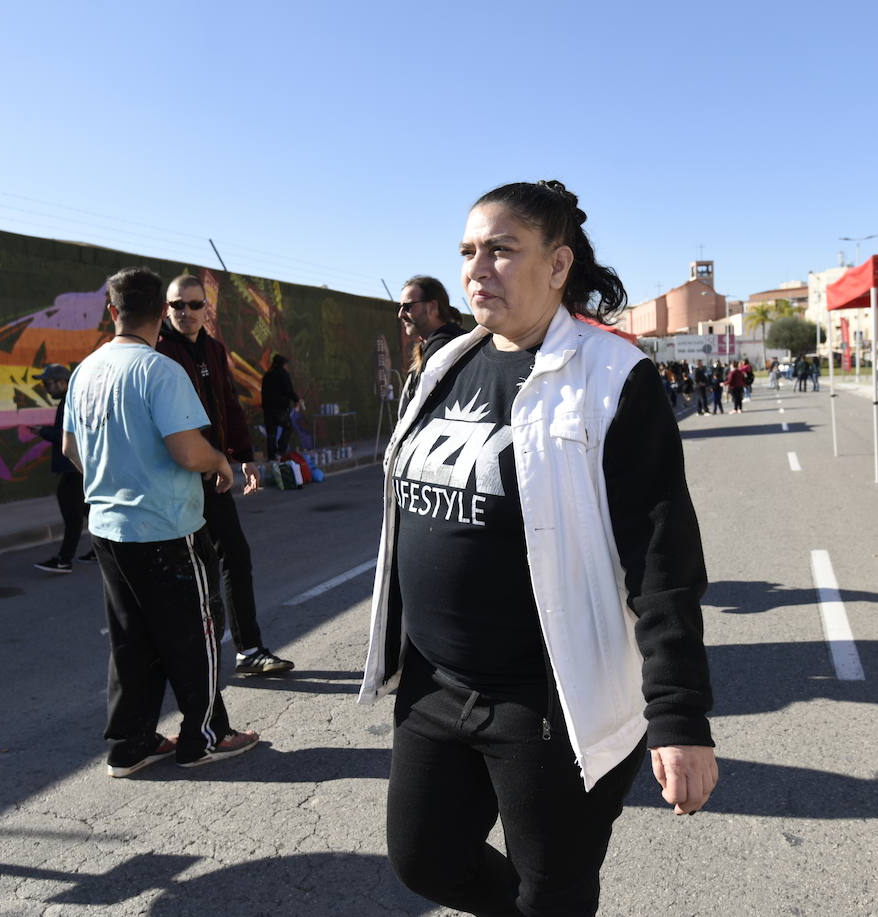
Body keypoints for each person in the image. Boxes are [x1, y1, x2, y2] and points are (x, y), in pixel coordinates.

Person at [360, 180, 717, 917]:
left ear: (558, 265)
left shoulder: (613, 376)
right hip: (435, 685)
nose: (477, 268)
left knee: (552, 891)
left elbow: (663, 560)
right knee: (424, 860)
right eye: (468, 251)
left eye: (501, 249)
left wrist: (679, 715)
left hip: (547, 702)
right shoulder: (444, 364)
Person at [62, 267, 258, 775]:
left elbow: (71, 449)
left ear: (112, 311)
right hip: (166, 528)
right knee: (196, 632)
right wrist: (220, 461)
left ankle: (131, 744)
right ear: (159, 314)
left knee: (132, 638)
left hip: (108, 529)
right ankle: (206, 737)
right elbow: (187, 450)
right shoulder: (160, 370)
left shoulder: (85, 371)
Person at [155, 273, 294, 677]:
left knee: (234, 554)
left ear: (206, 309)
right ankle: (188, 658)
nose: (186, 312)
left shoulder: (214, 349)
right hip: (174, 477)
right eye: (177, 305)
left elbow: (228, 405)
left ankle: (248, 648)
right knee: (187, 570)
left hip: (212, 474)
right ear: (166, 308)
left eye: (194, 304)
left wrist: (244, 456)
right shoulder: (157, 350)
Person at [32, 364, 93, 573]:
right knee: (87, 511)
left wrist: (43, 432)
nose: (46, 388)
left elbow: (68, 436)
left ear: (62, 382)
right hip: (77, 467)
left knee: (72, 515)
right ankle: (102, 549)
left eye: (47, 383)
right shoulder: (72, 401)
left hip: (73, 468)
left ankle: (64, 560)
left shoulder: (69, 403)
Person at [398, 274, 467, 413]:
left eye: (408, 307)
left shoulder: (444, 348)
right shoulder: (433, 345)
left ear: (432, 306)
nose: (401, 314)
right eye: (400, 307)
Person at [260, 354, 301, 462]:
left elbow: (263, 392)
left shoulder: (267, 375)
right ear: (282, 364)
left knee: (271, 433)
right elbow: (289, 390)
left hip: (268, 409)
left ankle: (271, 456)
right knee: (288, 427)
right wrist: (297, 400)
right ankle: (281, 449)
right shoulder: (283, 374)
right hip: (280, 408)